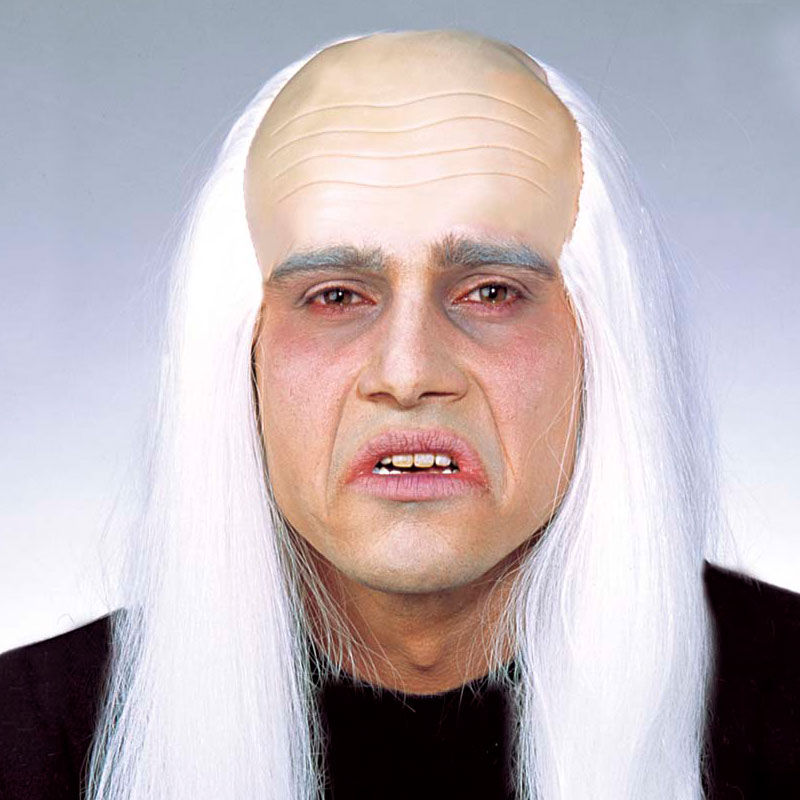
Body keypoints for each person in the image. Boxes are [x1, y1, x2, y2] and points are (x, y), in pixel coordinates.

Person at [1, 28, 798, 800]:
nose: (408, 373)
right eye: (336, 297)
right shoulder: (25, 743)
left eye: (491, 292)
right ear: (243, 352)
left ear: (601, 342)